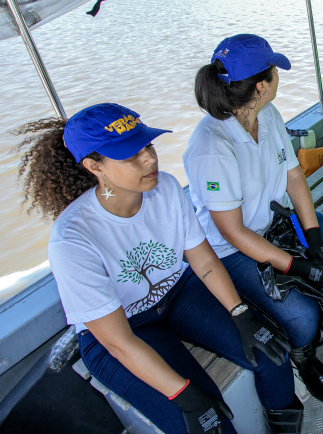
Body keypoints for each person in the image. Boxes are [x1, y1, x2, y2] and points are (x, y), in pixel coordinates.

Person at [16, 103, 300, 434]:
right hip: (125, 329)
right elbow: (118, 341)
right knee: (208, 423)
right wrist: (183, 393)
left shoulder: (164, 188)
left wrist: (241, 314)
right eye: (130, 156)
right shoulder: (72, 239)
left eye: (147, 145)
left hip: (179, 293)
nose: (150, 159)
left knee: (273, 353)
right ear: (94, 165)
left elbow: (203, 260)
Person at [182, 34, 323, 404]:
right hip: (233, 249)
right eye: (274, 69)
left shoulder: (267, 114)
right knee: (302, 316)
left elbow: (294, 175)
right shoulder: (211, 147)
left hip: (280, 222)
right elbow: (233, 232)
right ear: (262, 85)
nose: (278, 76)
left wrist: (313, 237)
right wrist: (296, 266)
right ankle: (304, 356)